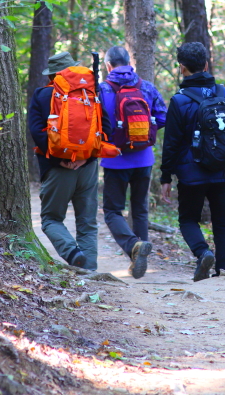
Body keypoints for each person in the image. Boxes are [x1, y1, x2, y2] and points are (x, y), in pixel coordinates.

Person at [160, 42, 225, 281]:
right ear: (206, 64)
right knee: (223, 223)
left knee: (188, 219)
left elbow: (172, 143)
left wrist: (166, 176)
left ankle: (203, 252)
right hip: (223, 169)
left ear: (182, 68)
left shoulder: (179, 101)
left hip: (191, 173)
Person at [28, 51, 111, 270]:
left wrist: (60, 160)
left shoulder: (42, 95)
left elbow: (37, 132)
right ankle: (90, 270)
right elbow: (106, 129)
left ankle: (73, 254)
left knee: (51, 219)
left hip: (57, 170)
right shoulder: (92, 92)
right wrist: (86, 158)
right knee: (87, 223)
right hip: (88, 167)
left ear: (52, 75)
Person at [99, 46, 168, 278]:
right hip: (144, 158)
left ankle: (132, 247)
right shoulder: (146, 86)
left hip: (114, 158)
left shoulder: (102, 89)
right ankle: (142, 255)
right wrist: (143, 132)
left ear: (108, 65)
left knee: (111, 211)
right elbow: (163, 116)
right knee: (140, 210)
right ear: (130, 62)